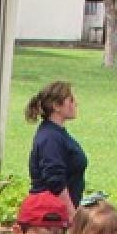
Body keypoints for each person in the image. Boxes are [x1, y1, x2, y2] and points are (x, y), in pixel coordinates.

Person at [26, 81, 87, 212]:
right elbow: (55, 181)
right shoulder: (51, 138)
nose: (76, 103)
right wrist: (72, 215)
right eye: (70, 100)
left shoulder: (56, 133)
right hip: (51, 217)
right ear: (56, 106)